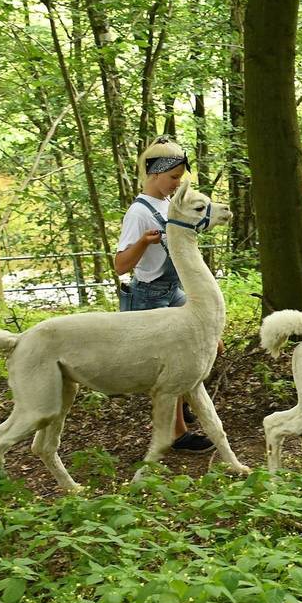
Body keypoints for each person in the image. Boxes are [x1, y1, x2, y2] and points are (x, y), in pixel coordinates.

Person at [114, 136, 214, 453]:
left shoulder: (168, 205)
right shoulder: (138, 213)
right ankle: (177, 433)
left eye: (179, 179)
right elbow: (119, 265)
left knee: (208, 343)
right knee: (169, 367)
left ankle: (181, 406)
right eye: (173, 178)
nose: (176, 184)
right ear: (155, 174)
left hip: (174, 291)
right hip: (149, 297)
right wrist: (144, 242)